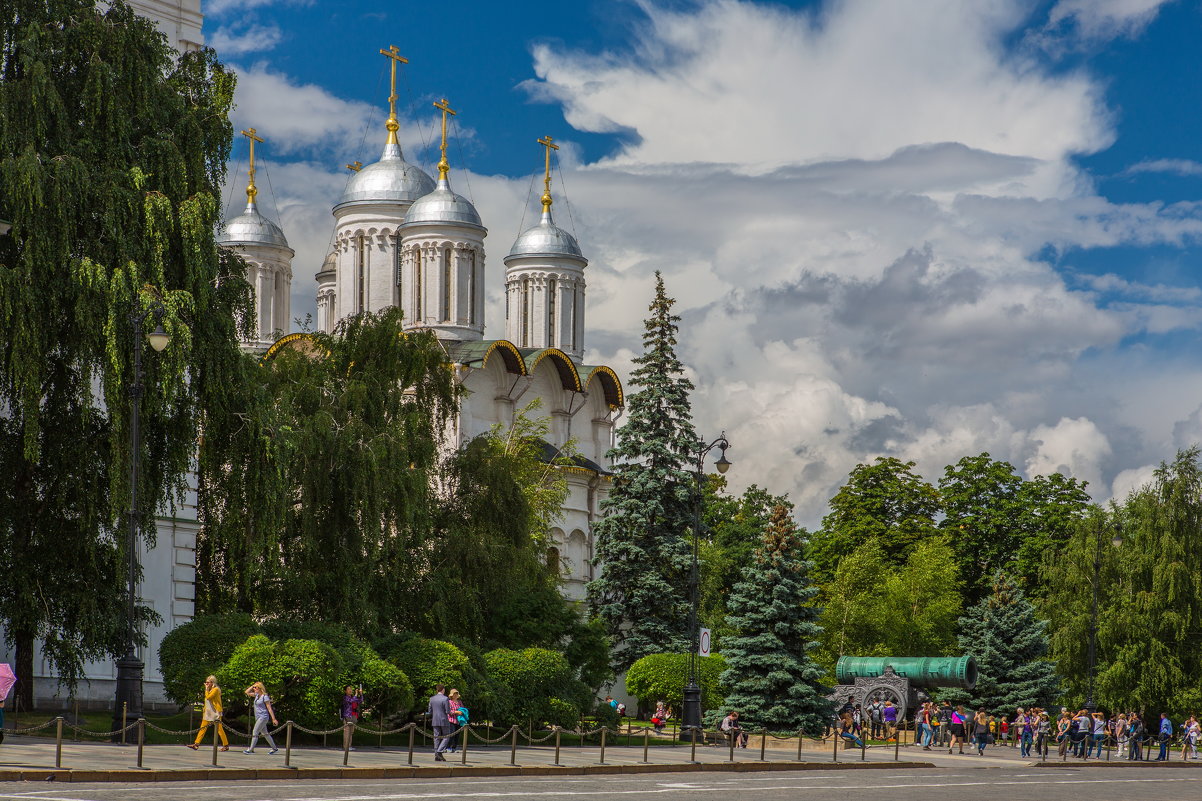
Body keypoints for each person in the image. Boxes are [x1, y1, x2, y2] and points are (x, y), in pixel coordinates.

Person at [188, 676, 228, 751]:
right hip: (208, 712)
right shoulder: (209, 689)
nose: (206, 684)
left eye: (208, 682)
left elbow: (208, 697)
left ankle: (225, 745)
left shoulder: (216, 689)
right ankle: (196, 744)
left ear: (212, 683)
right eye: (206, 682)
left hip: (215, 712)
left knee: (219, 729)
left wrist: (206, 689)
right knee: (202, 728)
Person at [242, 682, 279, 755]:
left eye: (256, 687)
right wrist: (252, 685)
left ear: (260, 688)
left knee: (255, 732)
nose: (254, 689)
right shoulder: (256, 695)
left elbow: (269, 708)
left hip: (263, 716)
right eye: (254, 688)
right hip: (258, 717)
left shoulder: (265, 697)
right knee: (265, 733)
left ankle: (251, 749)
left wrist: (273, 719)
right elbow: (246, 692)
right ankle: (274, 748)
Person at [428, 684, 452, 761]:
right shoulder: (445, 699)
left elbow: (430, 711)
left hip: (435, 719)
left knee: (436, 737)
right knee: (446, 736)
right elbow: (447, 711)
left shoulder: (432, 699)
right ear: (443, 690)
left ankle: (436, 754)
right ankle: (439, 751)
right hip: (444, 719)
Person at [341, 685, 363, 752]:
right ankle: (346, 746)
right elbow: (351, 701)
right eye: (348, 689)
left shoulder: (353, 697)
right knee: (347, 732)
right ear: (345, 691)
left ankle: (349, 746)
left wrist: (361, 694)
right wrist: (356, 694)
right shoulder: (345, 698)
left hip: (353, 716)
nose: (350, 690)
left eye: (351, 689)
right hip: (347, 716)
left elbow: (360, 701)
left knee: (351, 732)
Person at [446, 689, 463, 753]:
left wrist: (462, 712)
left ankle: (454, 747)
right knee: (451, 734)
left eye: (456, 694)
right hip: (451, 720)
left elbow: (462, 709)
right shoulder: (449, 702)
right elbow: (448, 711)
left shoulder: (459, 702)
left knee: (457, 735)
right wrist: (456, 712)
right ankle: (448, 747)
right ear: (452, 695)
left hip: (458, 720)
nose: (455, 695)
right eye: (454, 694)